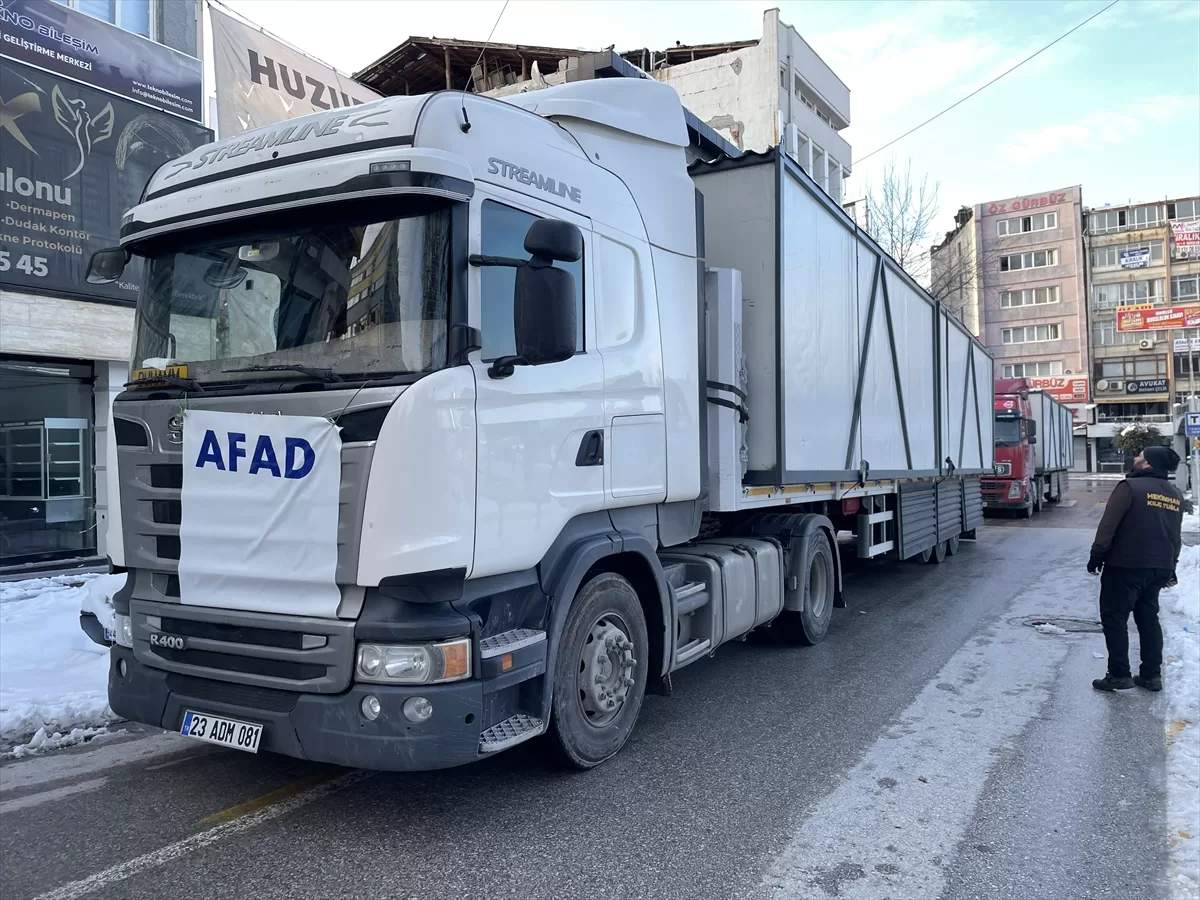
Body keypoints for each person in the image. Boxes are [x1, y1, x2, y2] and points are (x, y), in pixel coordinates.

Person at [1088, 445, 1184, 692]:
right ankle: (1151, 675)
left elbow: (1108, 526)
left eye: (1141, 456)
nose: (1136, 458)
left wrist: (1097, 556)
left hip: (1126, 564)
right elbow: (1175, 536)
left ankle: (1119, 674)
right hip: (1159, 567)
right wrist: (1170, 567)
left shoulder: (1129, 487)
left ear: (1149, 464)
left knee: (1115, 618)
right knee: (1148, 619)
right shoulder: (1174, 494)